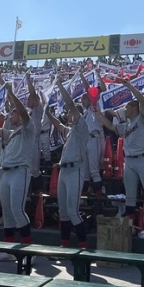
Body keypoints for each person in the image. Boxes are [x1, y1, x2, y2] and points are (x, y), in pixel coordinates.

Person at [96, 77, 144, 239]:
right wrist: (98, 113)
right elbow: (110, 126)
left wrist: (128, 85)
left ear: (134, 109)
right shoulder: (127, 125)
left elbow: (142, 101)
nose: (125, 109)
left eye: (127, 107)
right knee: (130, 195)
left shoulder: (143, 119)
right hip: (129, 161)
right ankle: (129, 227)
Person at [0, 82, 36, 261]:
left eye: (13, 112)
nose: (11, 113)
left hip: (20, 171)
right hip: (6, 172)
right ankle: (9, 251)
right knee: (7, 212)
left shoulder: (28, 128)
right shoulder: (12, 133)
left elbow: (22, 111)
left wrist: (11, 93)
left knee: (17, 209)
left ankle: (28, 251)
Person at [45, 77, 90, 248]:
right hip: (64, 170)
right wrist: (47, 112)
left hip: (75, 169)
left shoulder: (81, 127)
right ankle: (65, 245)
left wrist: (59, 85)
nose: (67, 114)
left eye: (70, 112)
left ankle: (83, 246)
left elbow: (71, 104)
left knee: (72, 211)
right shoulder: (70, 130)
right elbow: (57, 125)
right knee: (63, 212)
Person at [79, 69, 106, 197]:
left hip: (94, 138)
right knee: (85, 172)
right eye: (82, 100)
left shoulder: (95, 107)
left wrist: (81, 75)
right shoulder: (84, 113)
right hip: (86, 141)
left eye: (84, 99)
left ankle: (99, 196)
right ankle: (84, 197)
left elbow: (88, 89)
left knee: (94, 170)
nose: (83, 101)